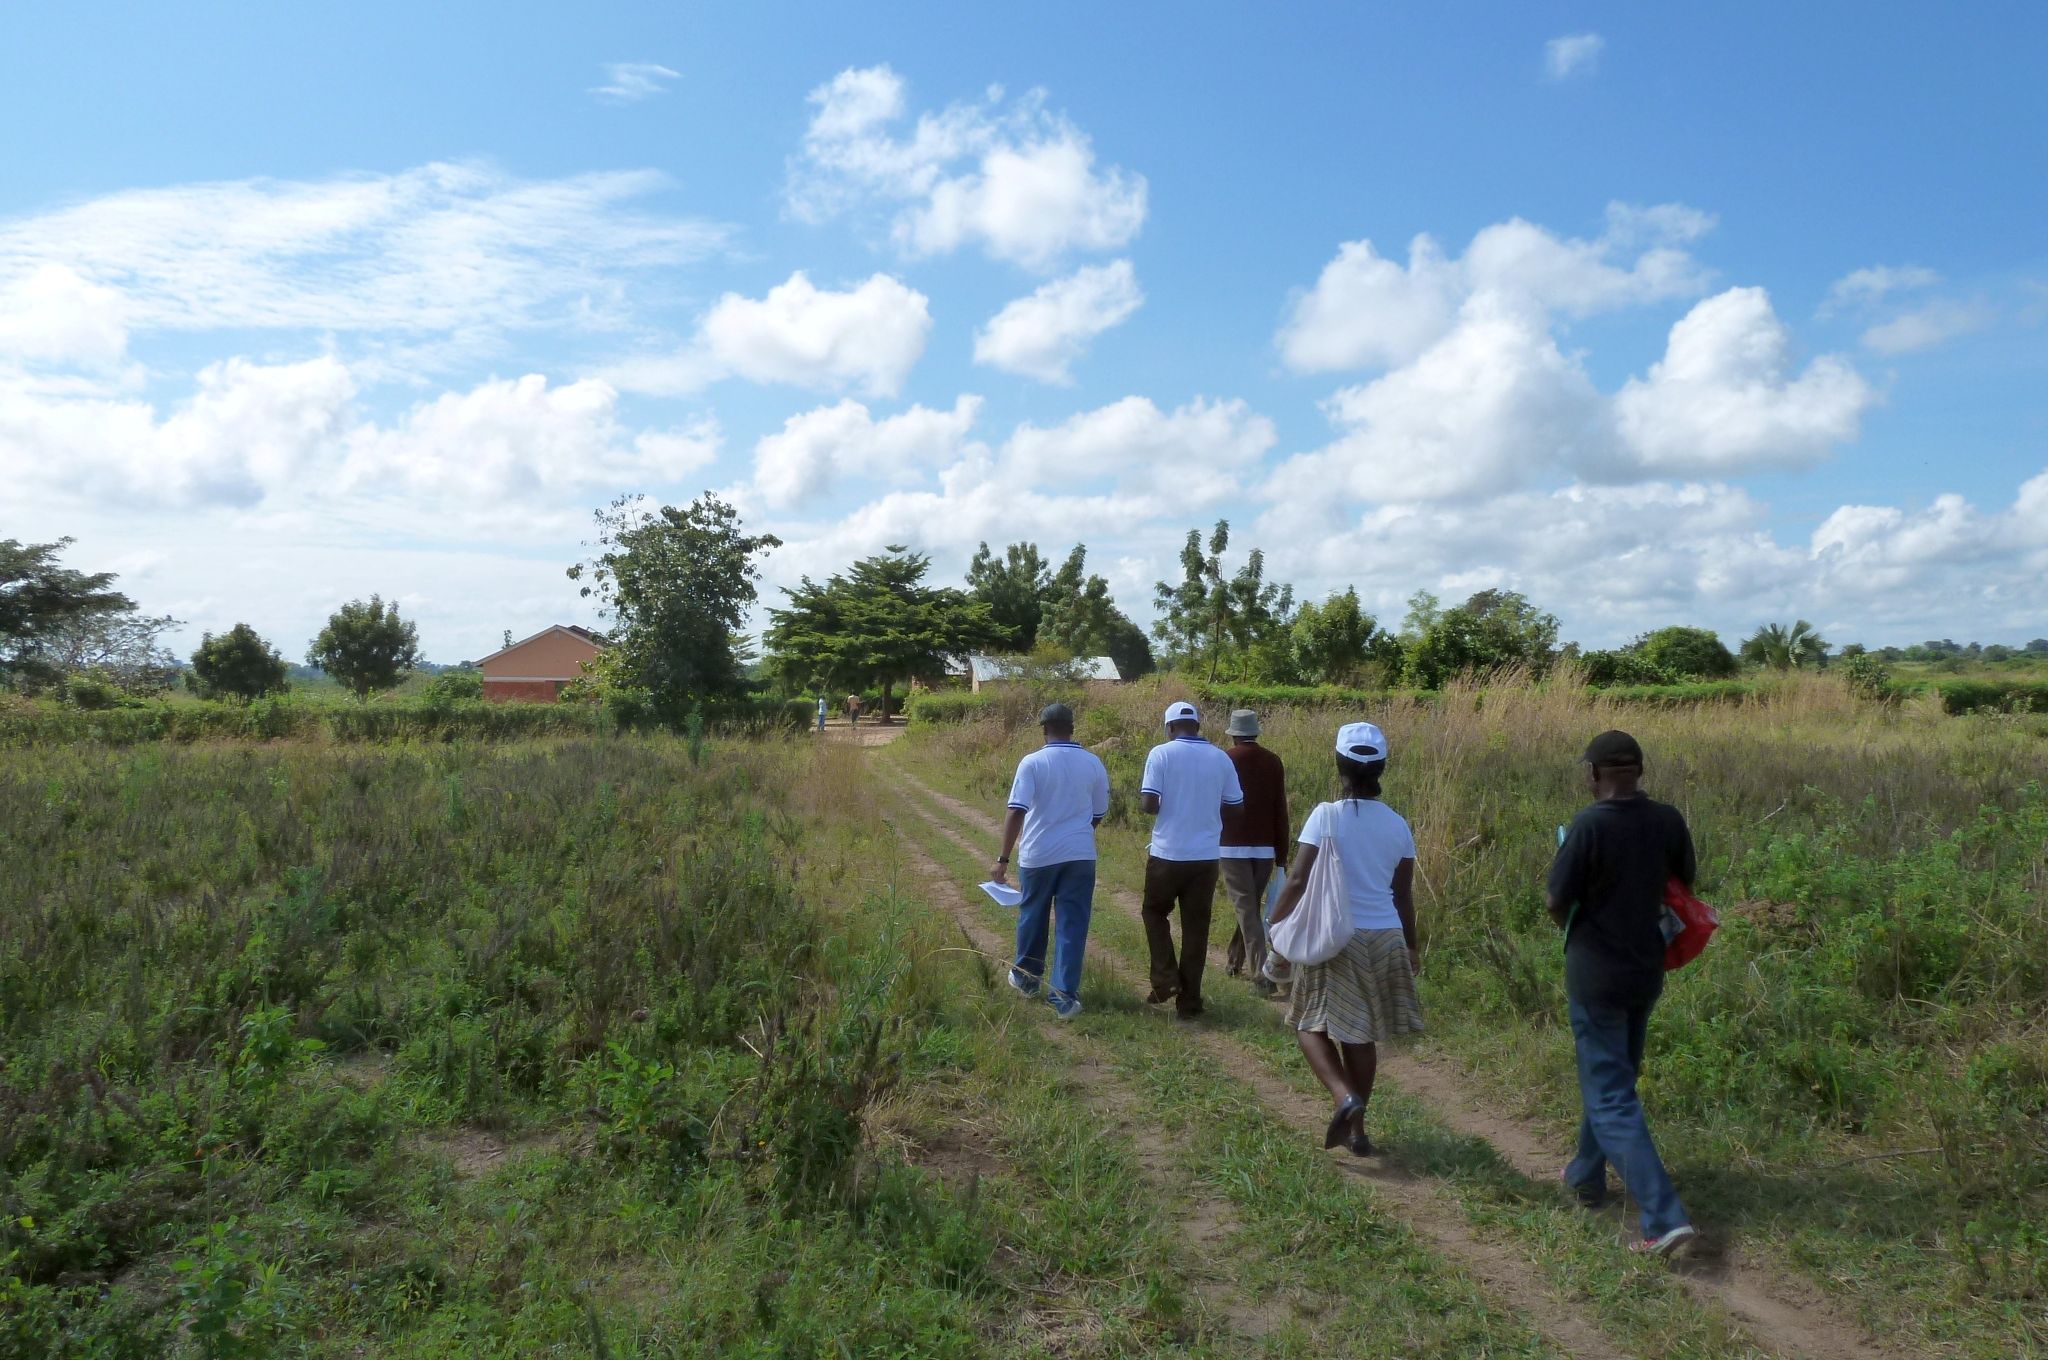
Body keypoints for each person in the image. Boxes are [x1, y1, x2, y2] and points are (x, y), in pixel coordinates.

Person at [1546, 729, 1700, 1259]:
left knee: (1610, 1094)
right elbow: (1685, 881)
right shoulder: (1668, 820)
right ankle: (1586, 1176)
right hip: (1646, 969)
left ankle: (1664, 1218)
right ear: (1639, 770)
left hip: (1595, 974)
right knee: (1614, 1076)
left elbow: (1554, 900)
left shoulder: (1587, 825)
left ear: (1592, 773)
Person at [1266, 721, 1421, 1156]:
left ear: (1339, 766)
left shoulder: (1326, 815)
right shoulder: (1398, 825)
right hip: (1386, 936)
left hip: (1339, 938)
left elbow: (1297, 880)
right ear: (1382, 768)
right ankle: (1357, 1130)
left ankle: (1343, 1097)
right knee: (1361, 1036)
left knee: (1306, 1022)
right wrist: (1411, 945)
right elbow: (1403, 894)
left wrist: (1276, 929)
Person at [991, 703, 1110, 1020]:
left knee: (1033, 916)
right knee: (1073, 924)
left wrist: (1003, 859)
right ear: (1072, 727)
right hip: (1080, 855)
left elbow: (1016, 810)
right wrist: (1077, 834)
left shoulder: (1032, 763)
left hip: (1039, 854)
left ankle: (1027, 979)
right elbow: (1098, 813)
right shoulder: (1093, 763)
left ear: (1044, 729)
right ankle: (1064, 997)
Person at [1138, 701, 1244, 1018]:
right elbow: (1236, 806)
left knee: (1154, 912)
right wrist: (1207, 809)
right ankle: (1190, 1003)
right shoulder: (1221, 758)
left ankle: (1166, 977)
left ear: (1170, 728)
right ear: (1198, 726)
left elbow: (1148, 804)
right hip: (1206, 857)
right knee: (1196, 928)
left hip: (1167, 853)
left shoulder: (1161, 753)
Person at [1220, 709, 1290, 997]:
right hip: (1265, 847)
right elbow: (1280, 809)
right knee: (1248, 907)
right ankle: (1234, 961)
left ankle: (1263, 973)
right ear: (1255, 732)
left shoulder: (1225, 759)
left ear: (1234, 734)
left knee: (1246, 909)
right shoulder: (1273, 761)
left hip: (1231, 844)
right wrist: (1282, 852)